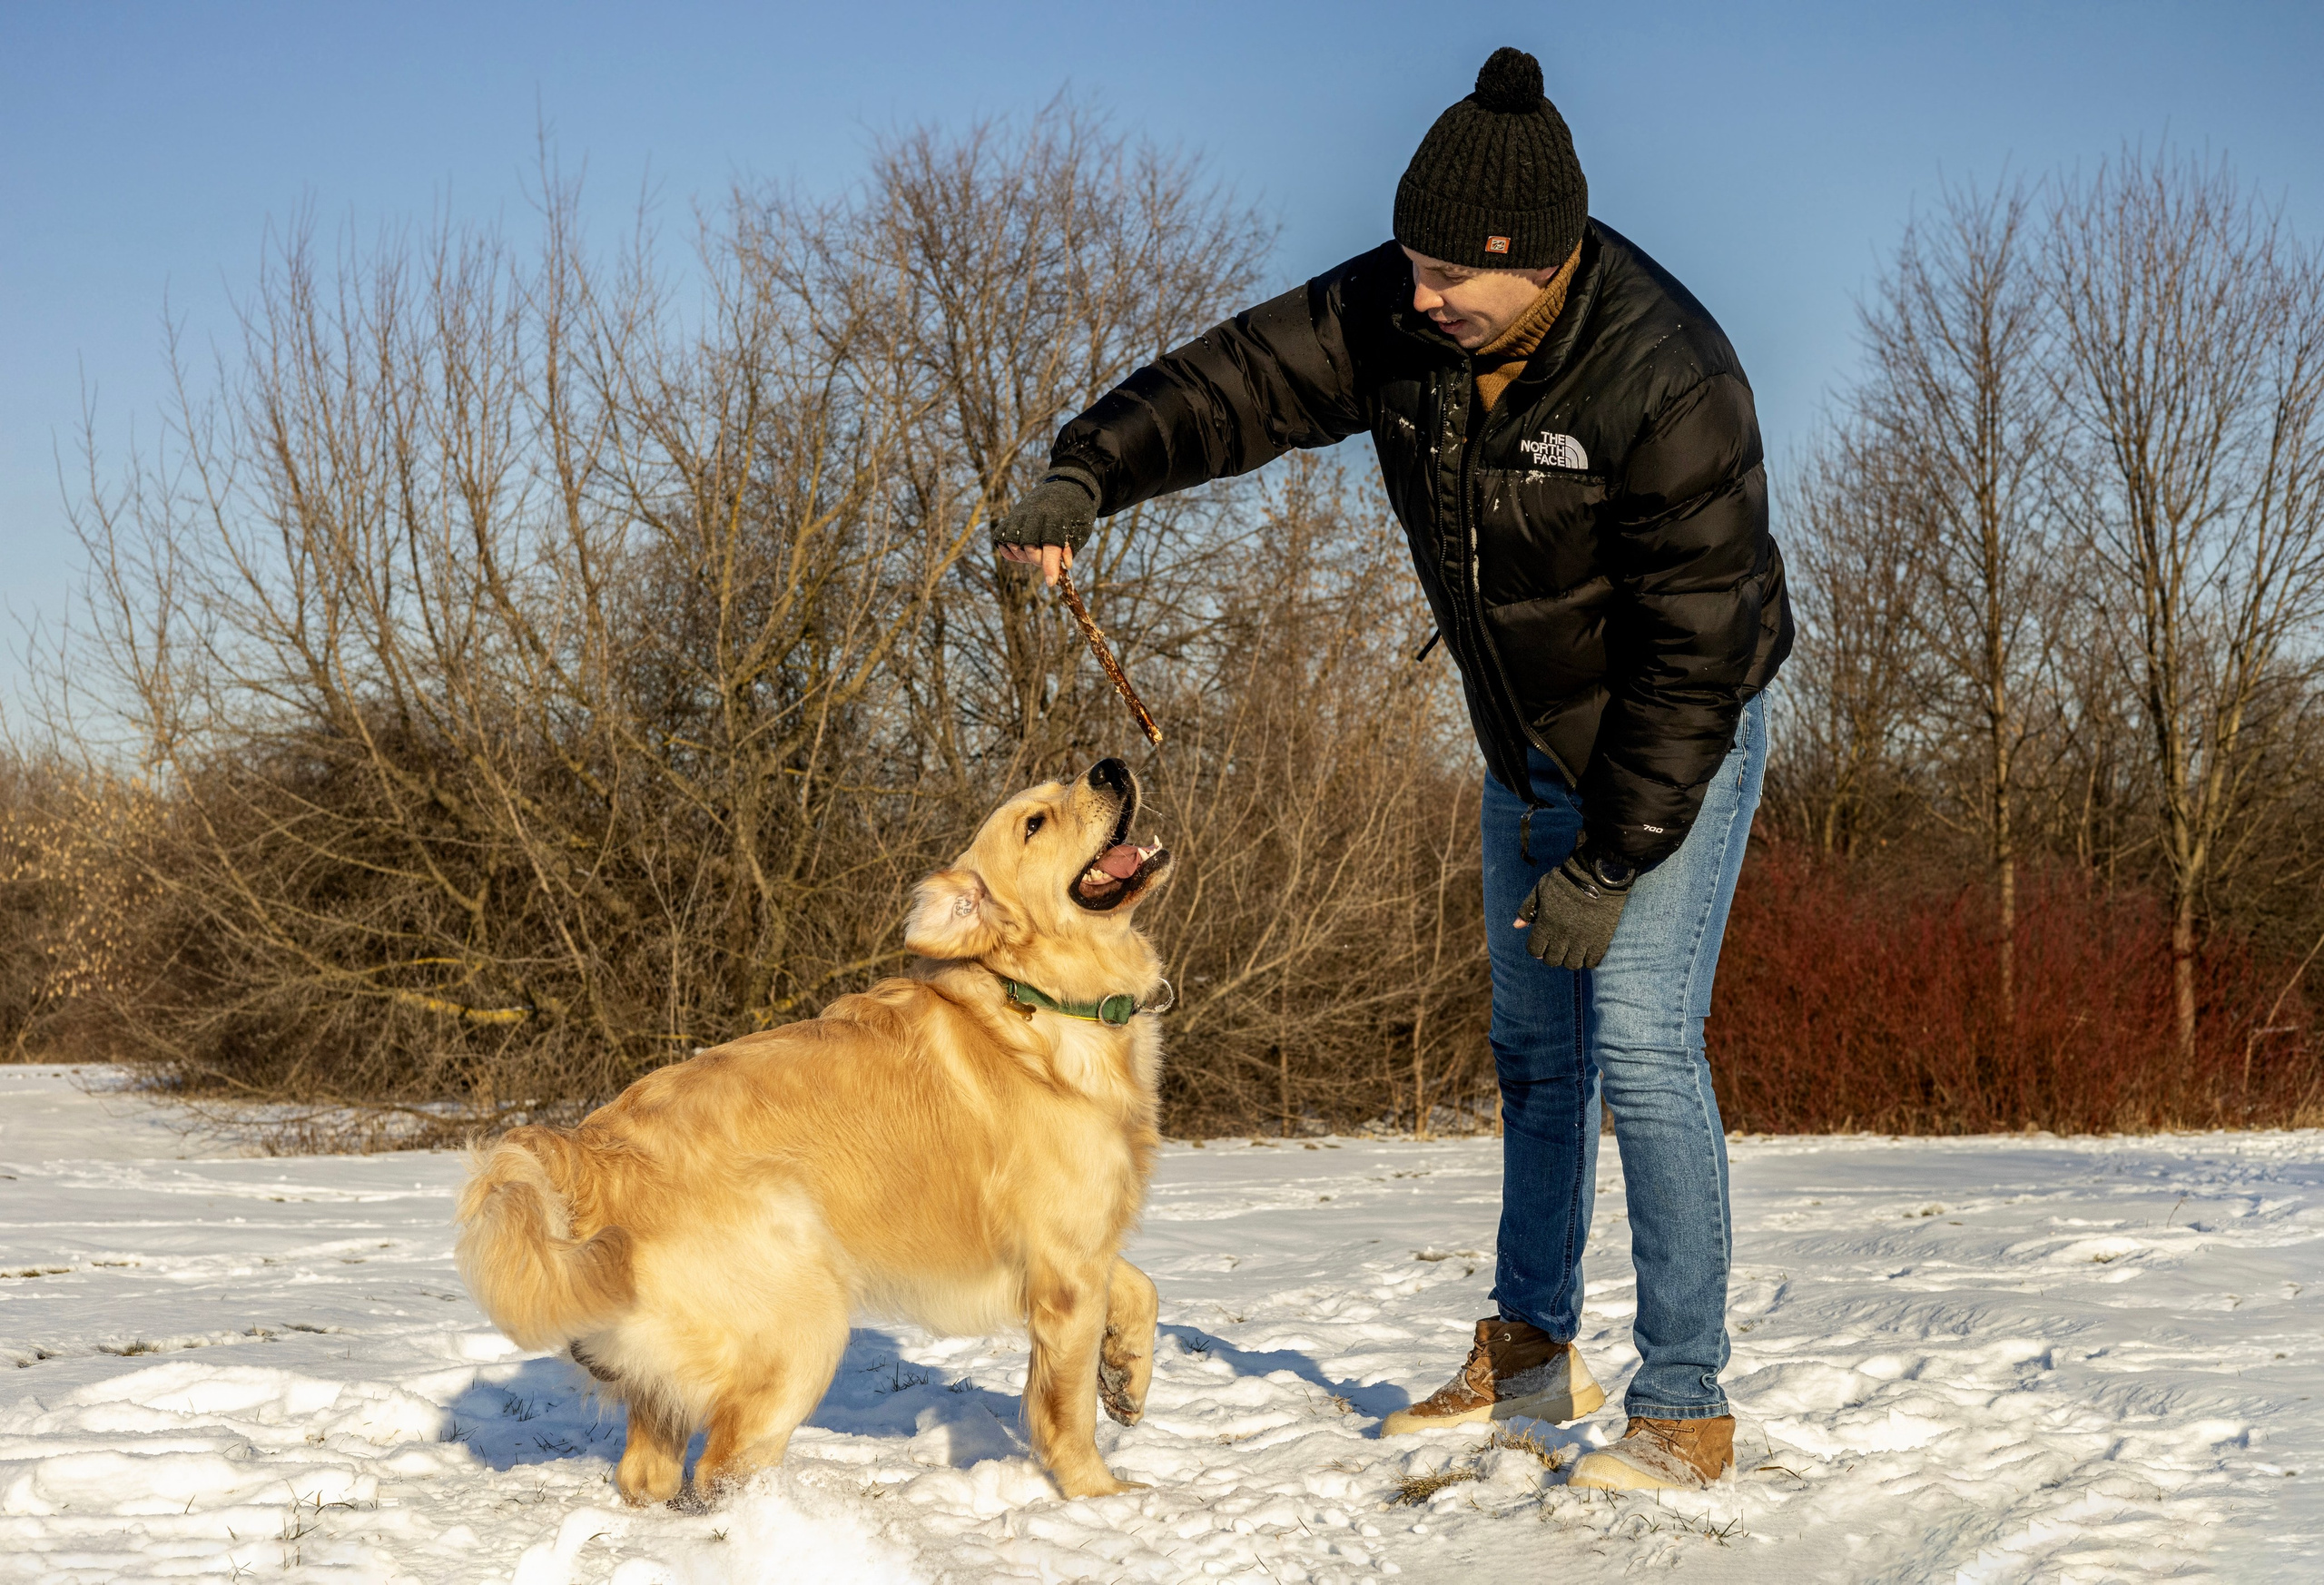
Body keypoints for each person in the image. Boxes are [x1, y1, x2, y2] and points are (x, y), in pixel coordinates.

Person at [990, 45, 1790, 1491]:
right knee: (1537, 1060)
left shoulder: (1669, 379)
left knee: (1647, 1055)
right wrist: (1089, 467)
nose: (1419, 296)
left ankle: (1685, 1408)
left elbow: (1697, 659)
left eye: (1451, 278)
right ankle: (1532, 1348)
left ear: (1539, 265)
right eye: (1412, 263)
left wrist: (1614, 860)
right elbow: (1233, 383)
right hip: (1520, 747)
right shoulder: (1406, 313)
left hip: (1671, 749)